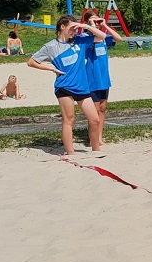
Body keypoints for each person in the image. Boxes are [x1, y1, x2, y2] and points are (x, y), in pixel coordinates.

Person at [28, 16, 105, 157]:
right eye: (72, 28)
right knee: (69, 119)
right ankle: (70, 153)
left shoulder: (80, 41)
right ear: (62, 27)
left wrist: (86, 26)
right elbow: (31, 62)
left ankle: (96, 150)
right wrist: (51, 69)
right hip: (64, 87)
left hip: (82, 87)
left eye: (76, 29)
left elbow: (102, 36)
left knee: (94, 120)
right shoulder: (50, 47)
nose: (74, 32)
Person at [80, 10, 121, 131]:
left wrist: (104, 25)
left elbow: (118, 39)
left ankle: (99, 137)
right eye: (94, 21)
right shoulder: (84, 38)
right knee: (95, 110)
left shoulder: (102, 37)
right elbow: (96, 37)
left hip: (103, 77)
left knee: (102, 108)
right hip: (92, 77)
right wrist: (91, 25)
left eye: (97, 21)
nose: (96, 23)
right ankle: (93, 138)